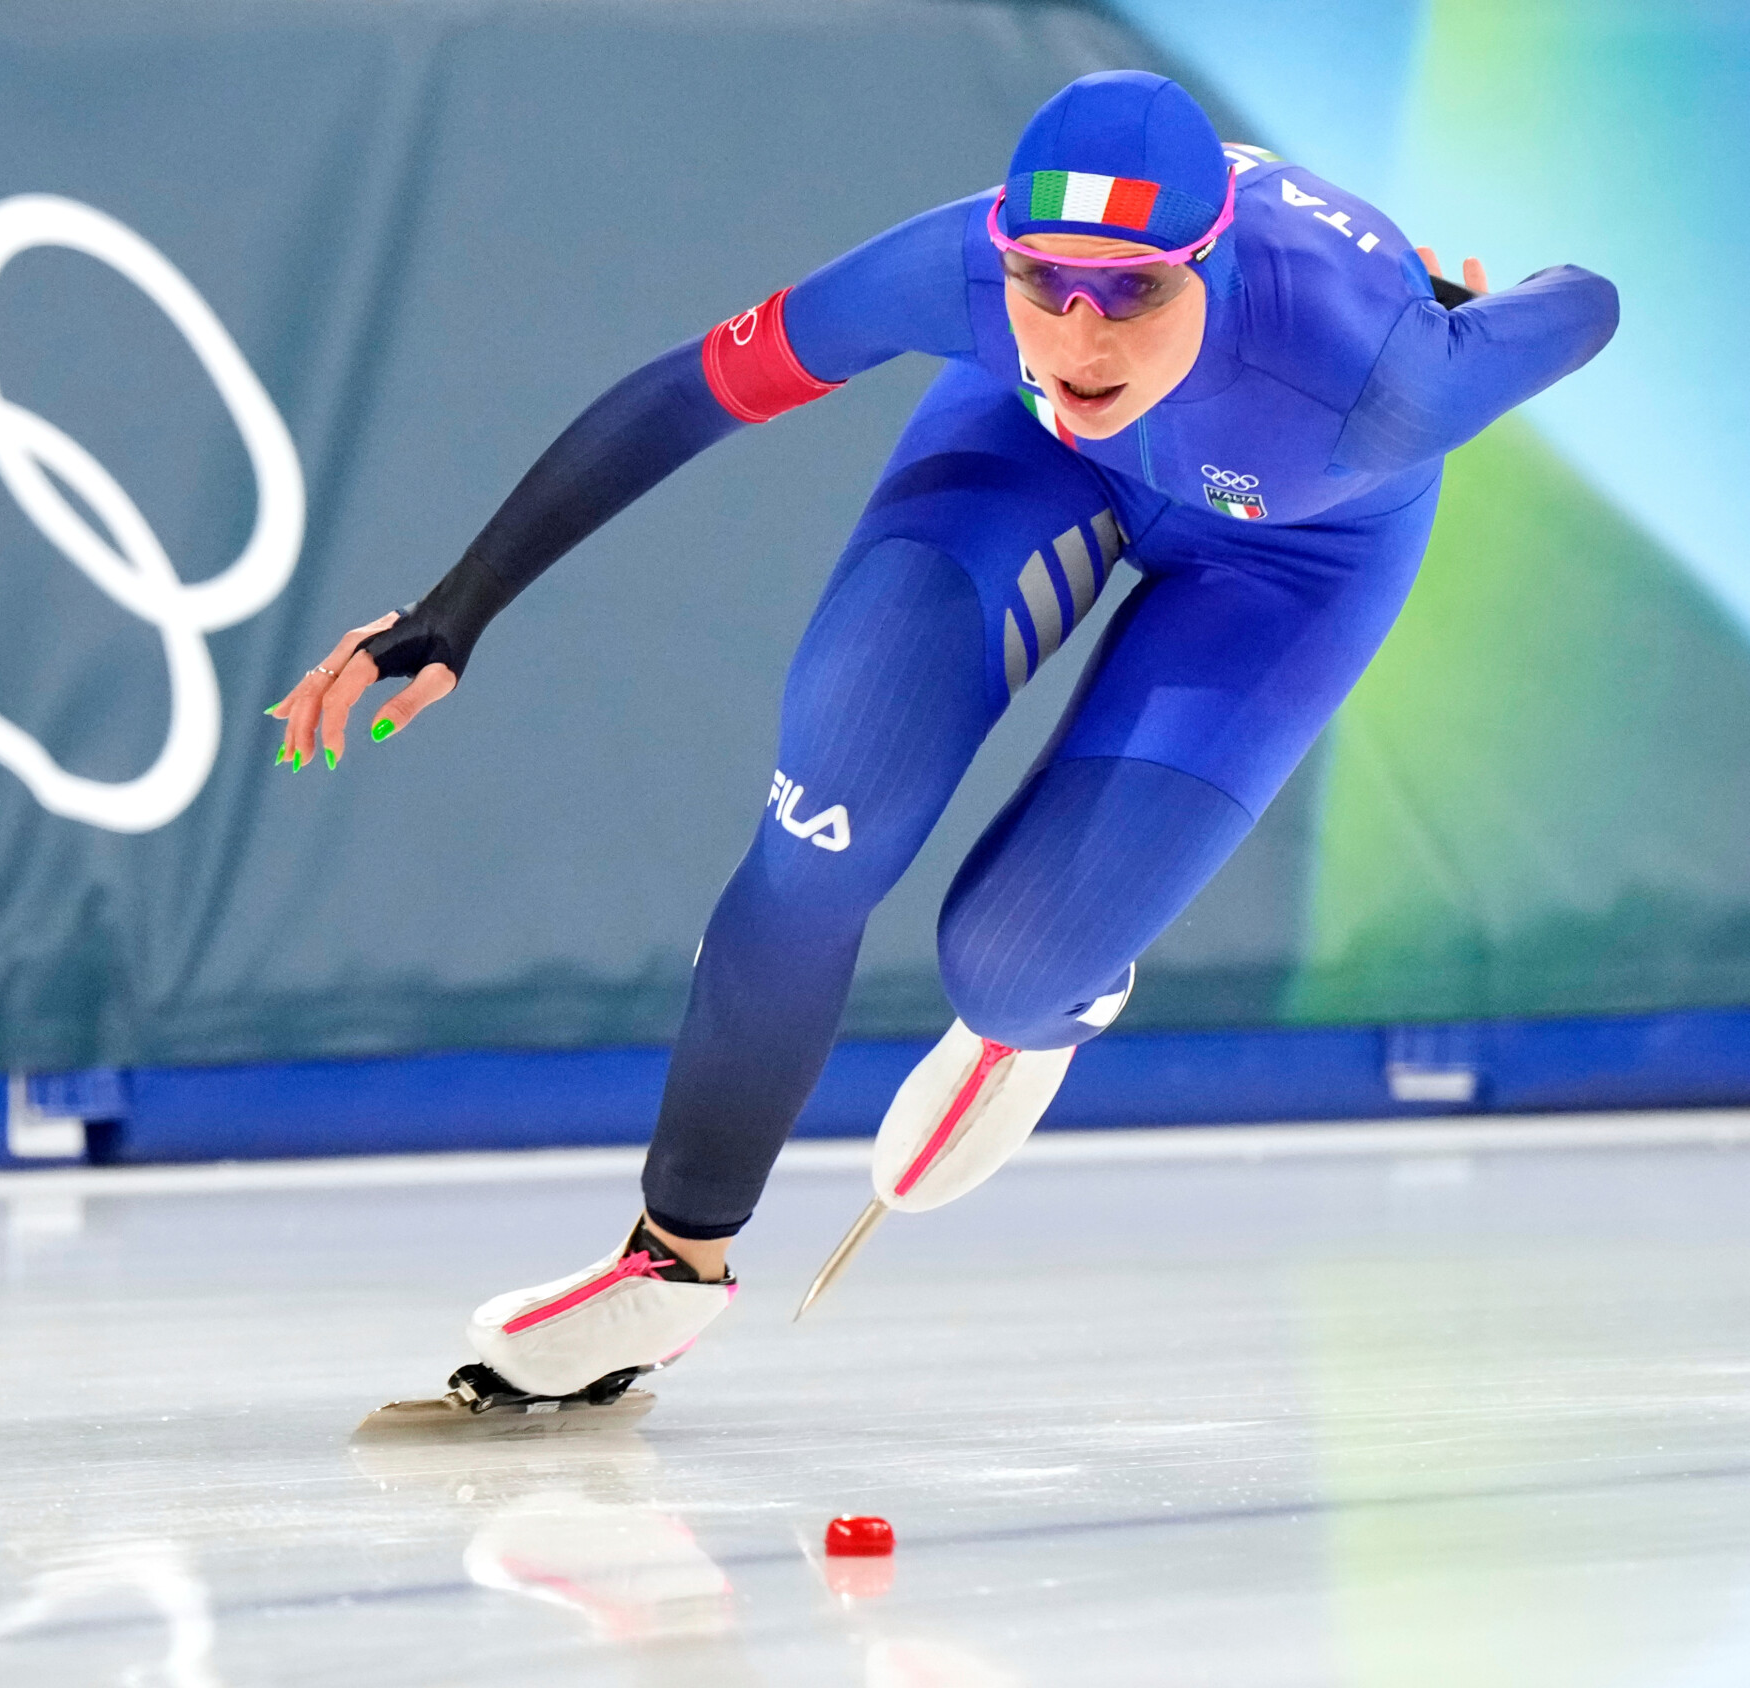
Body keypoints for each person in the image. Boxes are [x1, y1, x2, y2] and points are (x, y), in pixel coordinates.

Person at [267, 71, 1618, 1408]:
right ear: (1005, 252)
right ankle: (671, 1264)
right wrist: (459, 606)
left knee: (1013, 970)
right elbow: (692, 392)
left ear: (1203, 262)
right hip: (1027, 457)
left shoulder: (1384, 373)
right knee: (825, 817)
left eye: (1135, 290)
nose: (1083, 337)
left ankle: (1051, 1008)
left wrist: (1474, 311)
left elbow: (1586, 302)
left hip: (1292, 560)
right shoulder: (958, 267)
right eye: (1047, 284)